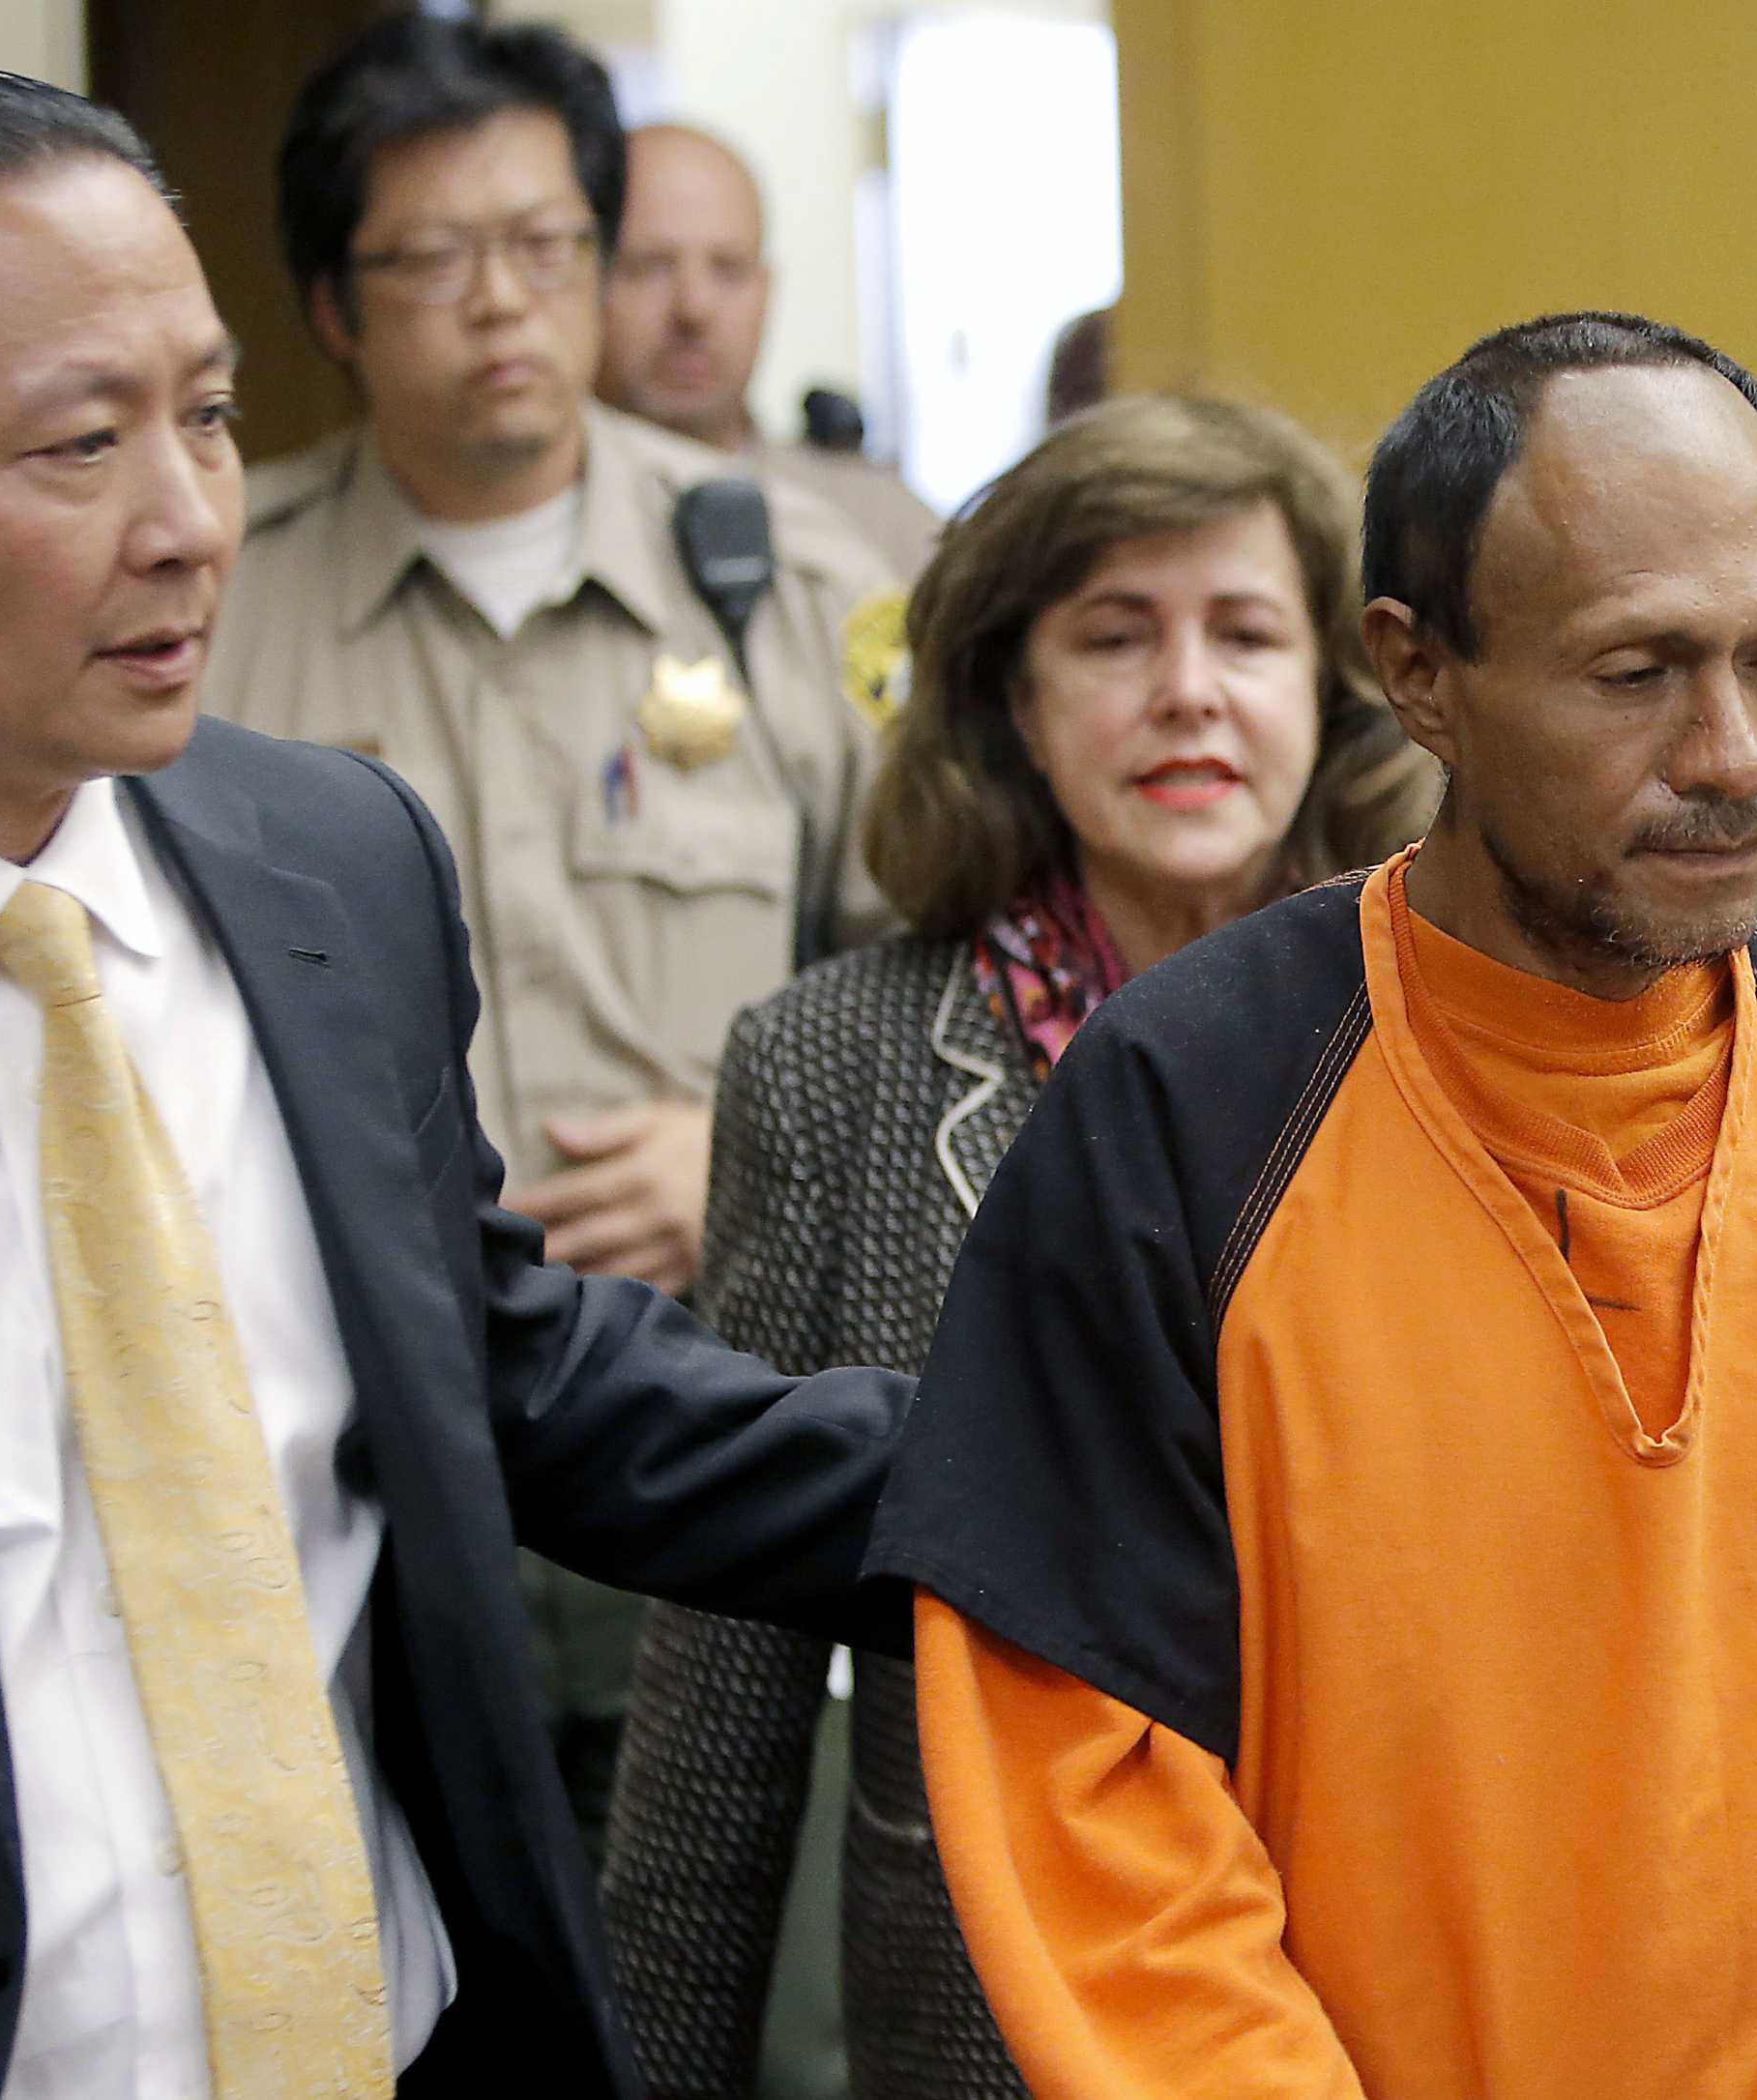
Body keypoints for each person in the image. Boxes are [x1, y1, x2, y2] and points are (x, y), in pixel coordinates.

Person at [0, 71, 908, 2100]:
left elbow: (499, 1371)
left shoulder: (332, 869)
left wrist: (1093, 1486)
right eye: (79, 443)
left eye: (207, 417)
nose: (190, 521)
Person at [866, 314, 1757, 2099]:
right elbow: (1102, 1824)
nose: (1738, 751)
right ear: (1418, 672)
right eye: (1635, 672)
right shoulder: (1179, 1120)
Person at [600, 396, 1438, 2100]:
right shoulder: (829, 1066)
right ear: (1011, 698)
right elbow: (724, 1687)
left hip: (1401, 2002)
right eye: (1114, 637)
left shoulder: (1459, 1044)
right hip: (996, 2017)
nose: (1188, 689)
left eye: (1246, 633)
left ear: (1335, 694)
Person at [202, 14, 906, 1844]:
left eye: (545, 246)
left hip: (717, 1400)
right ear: (336, 308)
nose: (502, 301)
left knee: (755, 1986)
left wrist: (750, 1156)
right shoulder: (214, 615)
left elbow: (934, 998)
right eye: (433, 259)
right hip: (358, 1429)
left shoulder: (797, 582)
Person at [599, 122, 943, 579]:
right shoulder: (519, 525)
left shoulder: (885, 531)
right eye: (647, 267)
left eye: (730, 269)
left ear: (766, 291)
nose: (693, 309)